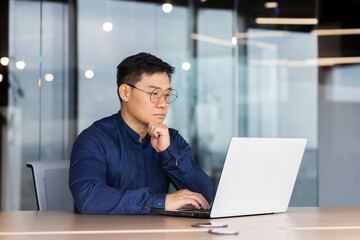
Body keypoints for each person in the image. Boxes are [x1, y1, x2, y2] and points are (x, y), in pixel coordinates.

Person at [69, 52, 213, 214]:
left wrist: (168, 153)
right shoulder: (94, 139)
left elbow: (204, 197)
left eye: (166, 95)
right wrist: (160, 201)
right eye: (155, 94)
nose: (163, 104)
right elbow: (88, 197)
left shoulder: (171, 139)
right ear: (125, 93)